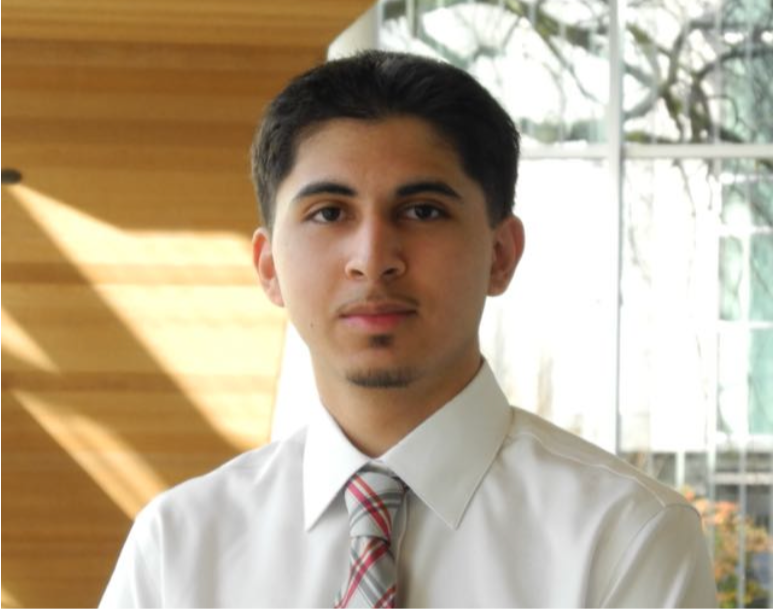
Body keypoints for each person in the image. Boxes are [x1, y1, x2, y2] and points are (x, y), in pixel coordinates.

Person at [100, 50, 717, 607]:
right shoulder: (178, 548)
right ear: (269, 268)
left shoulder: (624, 537)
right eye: (329, 213)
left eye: (423, 211)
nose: (373, 258)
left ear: (501, 254)